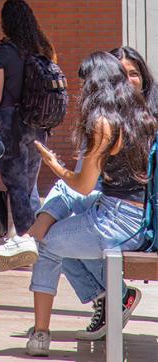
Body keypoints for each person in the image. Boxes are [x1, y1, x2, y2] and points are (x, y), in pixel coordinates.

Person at [0, 51, 157, 356]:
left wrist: (55, 165)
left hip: (117, 221)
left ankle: (40, 330)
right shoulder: (140, 116)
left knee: (47, 244)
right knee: (58, 233)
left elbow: (83, 183)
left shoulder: (103, 122)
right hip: (132, 217)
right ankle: (31, 250)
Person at [61, 45, 158, 340]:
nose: (128, 80)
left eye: (133, 74)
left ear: (144, 78)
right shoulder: (106, 120)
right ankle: (109, 298)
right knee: (67, 224)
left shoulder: (149, 118)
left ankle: (112, 296)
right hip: (111, 206)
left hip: (141, 217)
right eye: (120, 74)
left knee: (61, 238)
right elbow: (89, 178)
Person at [0, 0, 57, 236]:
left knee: (16, 187)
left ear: (5, 22)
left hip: (10, 125)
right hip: (38, 124)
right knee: (28, 186)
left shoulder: (1, 54)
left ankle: (29, 242)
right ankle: (39, 238)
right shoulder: (44, 49)